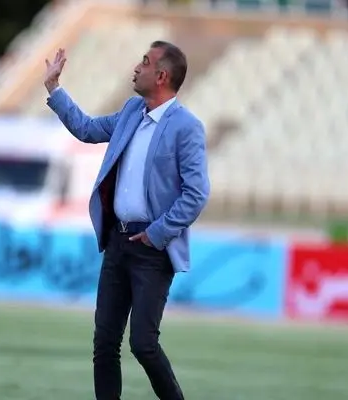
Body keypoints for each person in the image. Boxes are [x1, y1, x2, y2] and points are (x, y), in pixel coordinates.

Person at [43, 41, 210, 400]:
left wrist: (157, 232)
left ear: (161, 76)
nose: (137, 67)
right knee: (104, 342)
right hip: (117, 242)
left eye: (145, 62)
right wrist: (54, 88)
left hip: (152, 248)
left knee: (143, 344)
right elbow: (87, 129)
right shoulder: (133, 111)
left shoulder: (186, 127)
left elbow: (196, 194)